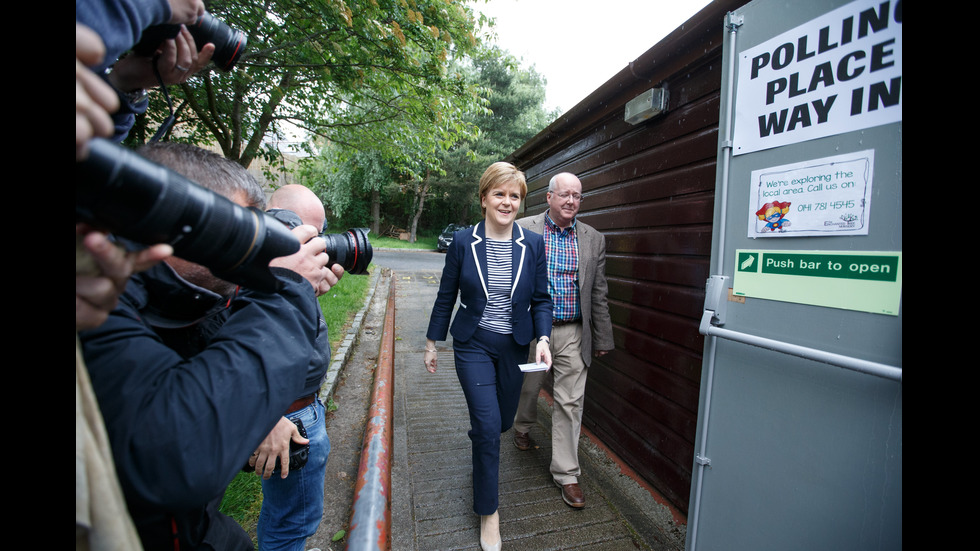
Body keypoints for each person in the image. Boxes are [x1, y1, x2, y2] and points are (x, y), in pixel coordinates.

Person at [79, 143, 335, 550]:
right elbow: (180, 451)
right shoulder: (94, 306)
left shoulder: (182, 302)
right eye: (233, 232)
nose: (249, 251)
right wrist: (286, 289)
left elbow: (225, 376)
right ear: (162, 223)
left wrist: (284, 293)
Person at [424, 162, 553, 551]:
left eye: (514, 196)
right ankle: (489, 512)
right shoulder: (464, 242)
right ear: (484, 198)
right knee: (486, 425)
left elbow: (542, 299)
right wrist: (433, 342)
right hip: (473, 343)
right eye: (499, 194)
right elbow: (447, 295)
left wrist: (543, 338)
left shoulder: (532, 244)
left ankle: (483, 451)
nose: (507, 202)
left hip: (515, 345)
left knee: (498, 425)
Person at [249, 184, 344, 551]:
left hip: (301, 410)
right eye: (306, 232)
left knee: (288, 516)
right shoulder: (244, 270)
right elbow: (226, 345)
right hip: (287, 419)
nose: (316, 245)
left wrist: (304, 290)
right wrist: (266, 416)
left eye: (318, 236)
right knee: (292, 524)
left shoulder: (276, 268)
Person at [512, 172, 614, 509]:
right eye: (565, 195)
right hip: (529, 329)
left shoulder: (593, 239)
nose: (571, 201)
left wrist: (601, 335)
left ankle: (567, 474)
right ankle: (523, 425)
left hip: (573, 331)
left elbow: (598, 293)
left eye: (577, 196)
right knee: (528, 387)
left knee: (570, 402)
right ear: (549, 198)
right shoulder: (523, 228)